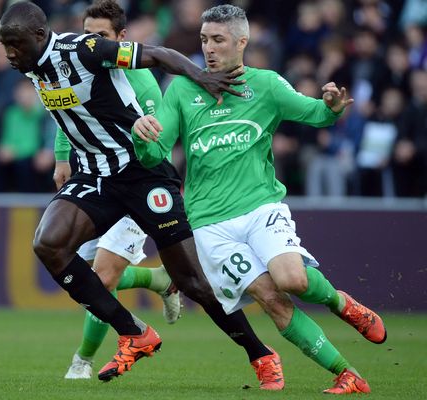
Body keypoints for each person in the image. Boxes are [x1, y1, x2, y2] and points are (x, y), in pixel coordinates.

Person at [0, 1, 283, 386]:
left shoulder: (84, 49)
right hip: (97, 176)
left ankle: (260, 354)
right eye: (5, 45)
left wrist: (203, 77)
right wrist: (64, 157)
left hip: (142, 172)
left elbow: (159, 54)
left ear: (38, 35)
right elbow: (72, 119)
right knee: (48, 245)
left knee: (194, 281)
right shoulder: (34, 67)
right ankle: (134, 332)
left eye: (14, 44)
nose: (9, 54)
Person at [133, 4, 387, 395]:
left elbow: (314, 113)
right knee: (271, 299)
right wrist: (143, 137)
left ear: (242, 42)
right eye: (204, 40)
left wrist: (332, 109)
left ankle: (341, 303)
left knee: (292, 280)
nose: (209, 49)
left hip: (260, 207)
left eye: (218, 40)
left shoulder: (266, 85)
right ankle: (345, 373)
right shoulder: (183, 88)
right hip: (209, 225)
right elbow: (156, 152)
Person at [53, 0, 181, 380]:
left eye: (102, 37)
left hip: (136, 185)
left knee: (103, 278)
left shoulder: (141, 80)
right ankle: (156, 278)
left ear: (122, 39)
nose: (93, 44)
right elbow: (68, 111)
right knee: (88, 275)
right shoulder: (78, 67)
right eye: (88, 35)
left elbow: (158, 142)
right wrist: (63, 158)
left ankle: (82, 361)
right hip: (94, 180)